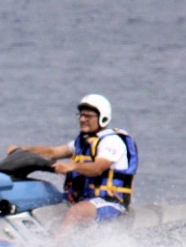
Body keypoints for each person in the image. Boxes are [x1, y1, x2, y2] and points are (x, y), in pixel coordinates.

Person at [9, 94, 138, 233]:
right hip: (82, 198)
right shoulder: (83, 142)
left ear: (103, 118)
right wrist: (22, 149)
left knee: (77, 212)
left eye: (88, 116)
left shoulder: (112, 141)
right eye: (81, 115)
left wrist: (72, 166)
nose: (82, 119)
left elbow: (98, 168)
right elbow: (53, 152)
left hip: (110, 201)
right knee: (42, 198)